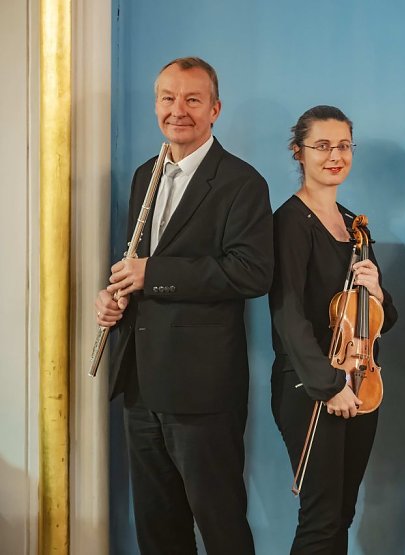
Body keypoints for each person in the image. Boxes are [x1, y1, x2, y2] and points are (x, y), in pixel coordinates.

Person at [94, 57, 272, 554]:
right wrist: (115, 300)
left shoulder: (242, 182)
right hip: (141, 384)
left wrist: (155, 274)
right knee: (158, 530)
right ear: (156, 105)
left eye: (193, 99)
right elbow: (137, 264)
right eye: (168, 98)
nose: (179, 110)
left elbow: (251, 272)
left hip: (203, 391)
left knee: (221, 526)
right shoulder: (142, 177)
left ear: (214, 109)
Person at [269, 105, 398, 554]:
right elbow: (286, 314)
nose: (334, 155)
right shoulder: (289, 221)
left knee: (342, 513)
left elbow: (386, 318)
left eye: (343, 145)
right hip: (312, 387)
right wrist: (328, 385)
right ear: (298, 152)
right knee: (321, 518)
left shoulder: (354, 225)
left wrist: (378, 290)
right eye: (322, 146)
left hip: (362, 385)